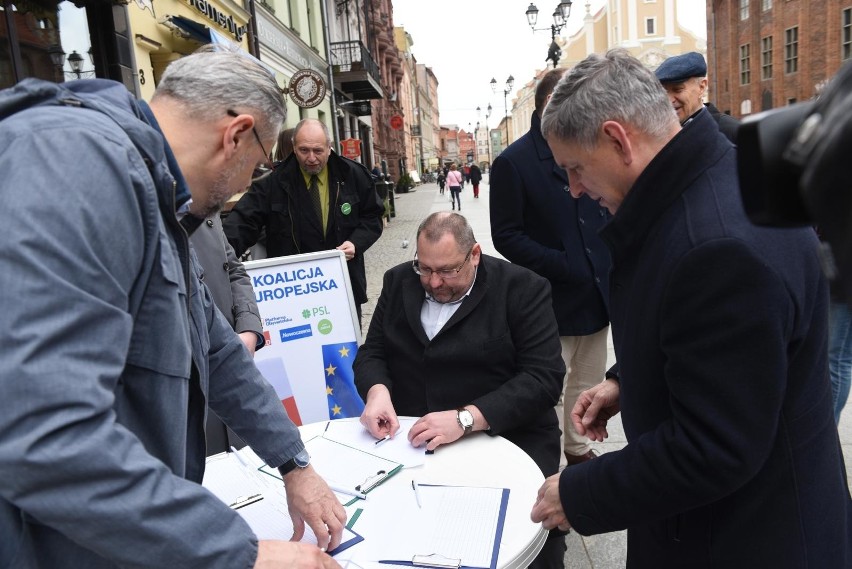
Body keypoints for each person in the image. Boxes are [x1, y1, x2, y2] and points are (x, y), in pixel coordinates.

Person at [0, 47, 346, 568]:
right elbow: (40, 428)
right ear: (236, 136)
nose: (249, 185)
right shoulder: (79, 165)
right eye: (260, 164)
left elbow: (219, 352)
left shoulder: (154, 197)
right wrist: (239, 555)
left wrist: (294, 463)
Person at [528, 49, 852, 567]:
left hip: (749, 539)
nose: (573, 188)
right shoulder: (716, 179)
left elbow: (715, 445)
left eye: (575, 168)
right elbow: (718, 350)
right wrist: (628, 380)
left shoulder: (716, 246)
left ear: (617, 139)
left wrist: (581, 492)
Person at [354, 212, 568, 568]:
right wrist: (377, 391)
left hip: (509, 438)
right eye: (424, 269)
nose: (434, 282)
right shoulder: (398, 282)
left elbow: (543, 379)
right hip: (414, 440)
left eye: (448, 271)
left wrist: (467, 418)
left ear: (475, 255)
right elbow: (373, 351)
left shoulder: (522, 288)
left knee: (519, 547)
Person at [491, 67, 611, 469]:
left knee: (589, 377)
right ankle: (545, 455)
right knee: (549, 383)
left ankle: (577, 447)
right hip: (550, 296)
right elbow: (506, 234)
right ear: (547, 106)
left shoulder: (589, 146)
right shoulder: (515, 161)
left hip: (596, 292)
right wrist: (561, 264)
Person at [223, 118, 384, 322]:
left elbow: (372, 216)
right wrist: (218, 257)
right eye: (303, 150)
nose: (311, 158)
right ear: (293, 147)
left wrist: (356, 243)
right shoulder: (274, 182)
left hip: (343, 285)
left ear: (329, 147)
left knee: (346, 351)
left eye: (318, 151)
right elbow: (243, 222)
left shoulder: (353, 175)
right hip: (295, 292)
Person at [191, 213, 265, 454]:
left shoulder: (206, 205)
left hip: (233, 362)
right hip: (191, 376)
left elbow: (233, 269)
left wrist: (248, 326)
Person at [654, 51, 740, 143]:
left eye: (677, 90)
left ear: (701, 87)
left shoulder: (731, 132)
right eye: (664, 92)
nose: (669, 100)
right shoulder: (658, 137)